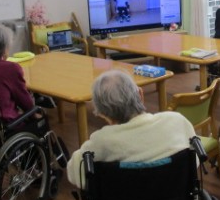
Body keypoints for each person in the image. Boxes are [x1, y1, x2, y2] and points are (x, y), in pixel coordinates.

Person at [67, 70, 196, 188]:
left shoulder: (101, 141)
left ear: (101, 113)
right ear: (140, 95)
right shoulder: (176, 121)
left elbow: (76, 175)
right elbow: (195, 161)